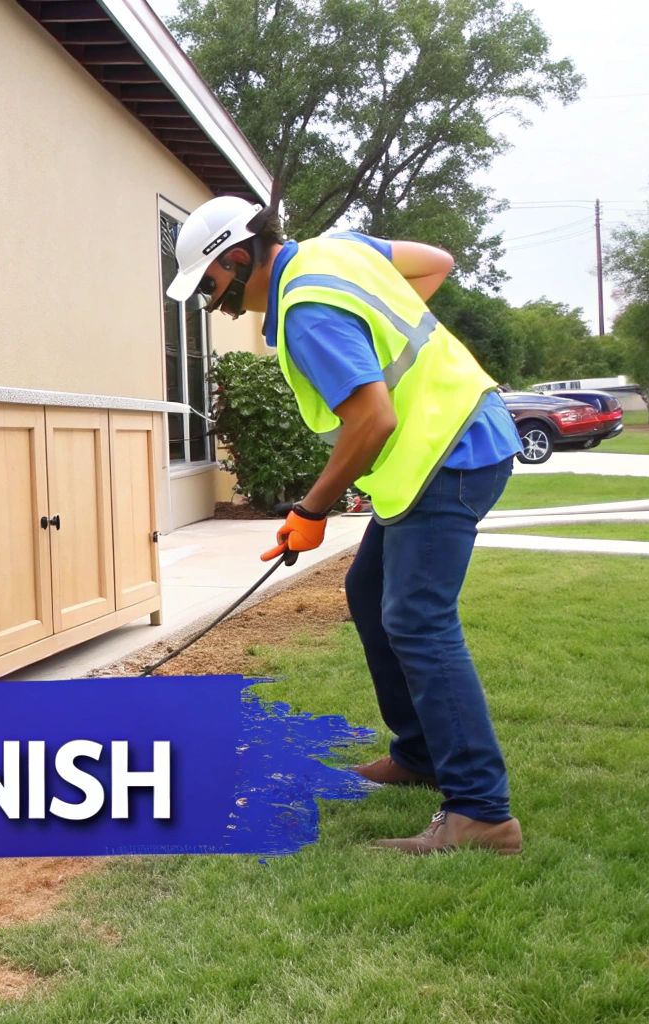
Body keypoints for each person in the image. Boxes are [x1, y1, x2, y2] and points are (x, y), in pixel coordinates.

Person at [166, 196, 525, 856]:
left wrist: (309, 511)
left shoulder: (307, 312)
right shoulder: (339, 251)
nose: (214, 301)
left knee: (419, 620)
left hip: (447, 455)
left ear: (239, 258)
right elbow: (435, 263)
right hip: (454, 441)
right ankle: (419, 754)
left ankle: (480, 811)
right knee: (369, 591)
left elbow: (373, 420)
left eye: (212, 284)